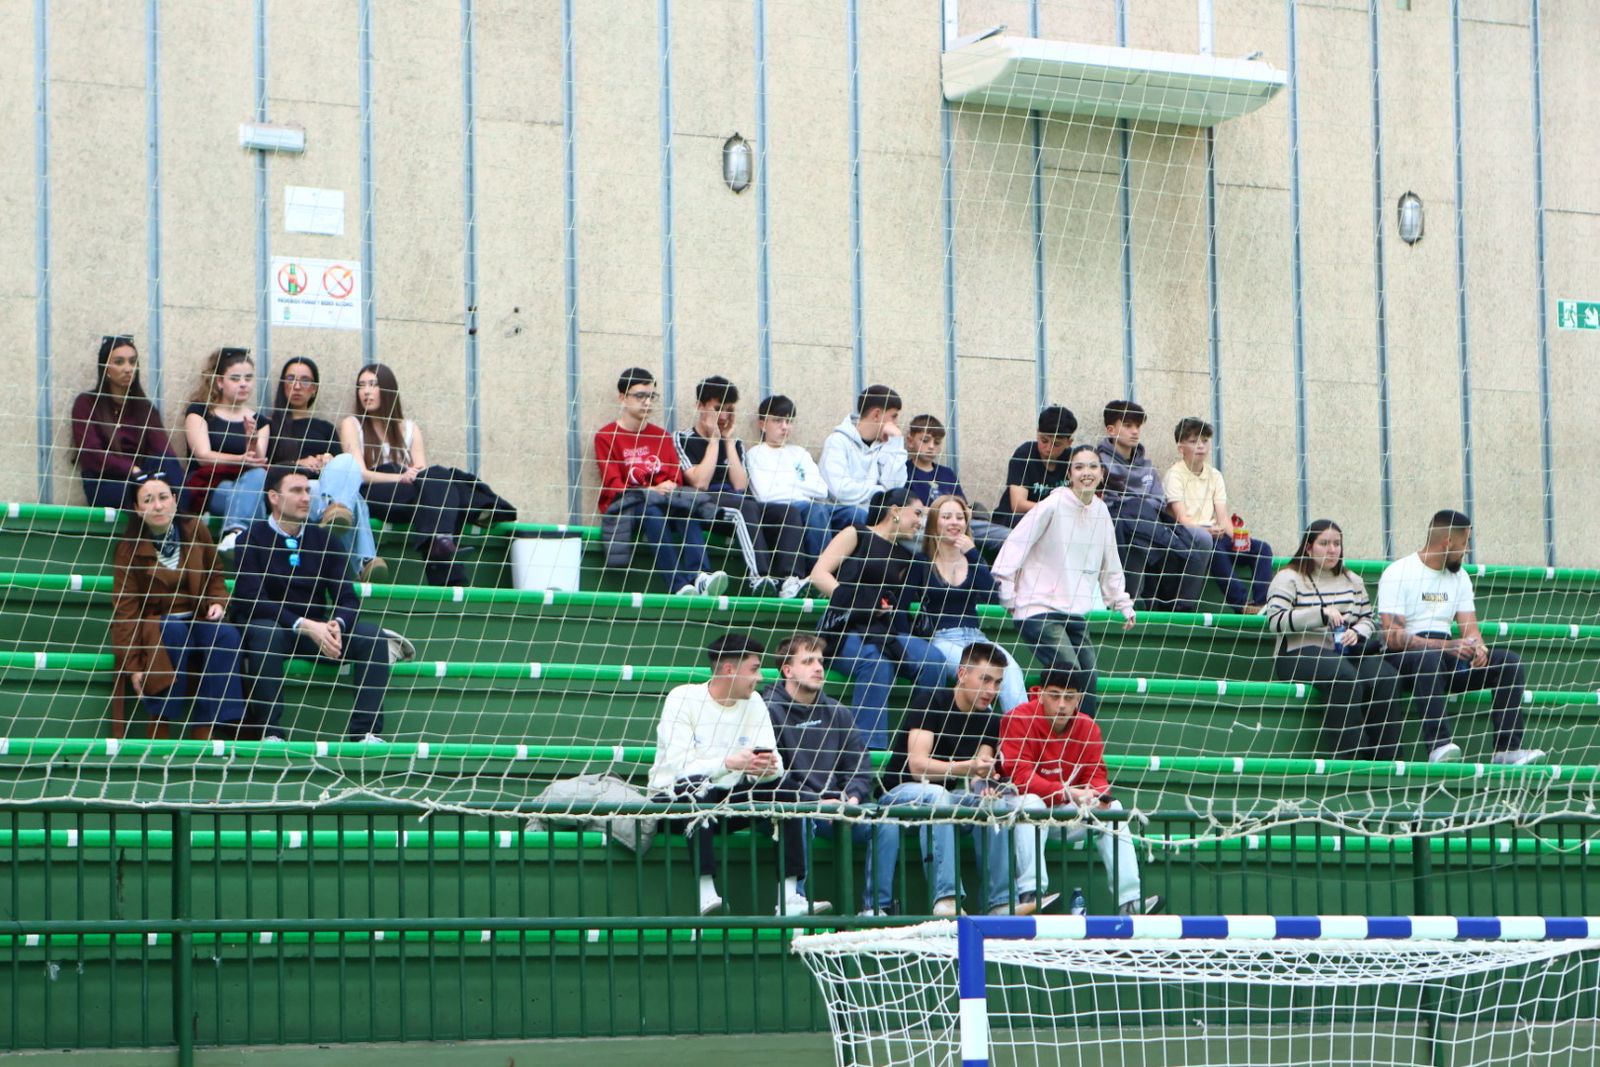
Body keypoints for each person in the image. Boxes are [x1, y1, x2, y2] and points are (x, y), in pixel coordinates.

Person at [647, 634, 821, 916]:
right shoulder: (682, 698)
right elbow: (678, 768)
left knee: (786, 788)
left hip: (727, 802)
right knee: (697, 786)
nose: (760, 677)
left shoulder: (755, 703)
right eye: (754, 669)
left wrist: (765, 770)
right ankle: (707, 896)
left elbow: (774, 763)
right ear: (729, 670)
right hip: (673, 804)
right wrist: (729, 763)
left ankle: (790, 898)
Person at [878, 642, 1050, 916]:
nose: (992, 691)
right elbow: (917, 767)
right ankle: (946, 899)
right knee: (938, 795)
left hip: (943, 800)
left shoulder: (991, 720)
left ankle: (1001, 903)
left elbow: (978, 777)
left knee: (996, 806)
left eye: (997, 683)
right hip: (898, 795)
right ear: (961, 674)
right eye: (985, 680)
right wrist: (967, 767)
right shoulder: (931, 701)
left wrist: (987, 787)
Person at [231, 467, 391, 741]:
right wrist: (304, 625)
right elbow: (251, 598)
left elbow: (347, 597)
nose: (306, 497)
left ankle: (365, 733)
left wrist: (336, 624)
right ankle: (270, 731)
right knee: (264, 631)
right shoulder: (251, 538)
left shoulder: (324, 540)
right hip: (278, 629)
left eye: (308, 491)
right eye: (296, 491)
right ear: (274, 497)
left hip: (318, 633)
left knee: (373, 637)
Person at [1378, 510, 1544, 765]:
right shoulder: (1398, 571)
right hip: (1406, 659)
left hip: (1448, 655)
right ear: (1448, 542)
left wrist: (1478, 648)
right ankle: (1439, 746)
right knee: (1428, 657)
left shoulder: (1460, 577)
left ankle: (1507, 749)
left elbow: (1470, 629)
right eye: (1465, 543)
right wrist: (1447, 646)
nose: (1466, 550)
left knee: (1508, 662)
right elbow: (1393, 637)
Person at [999, 670, 1163, 916]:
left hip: (1064, 812)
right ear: (1041, 694)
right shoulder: (1018, 718)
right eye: (1055, 696)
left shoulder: (1088, 727)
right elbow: (1020, 777)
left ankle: (1130, 902)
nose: (1062, 704)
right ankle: (1032, 894)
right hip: (1019, 810)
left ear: (1078, 699)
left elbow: (1097, 774)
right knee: (1031, 801)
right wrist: (1067, 793)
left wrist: (1097, 794)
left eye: (1069, 697)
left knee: (1113, 809)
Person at [338, 362, 516, 586]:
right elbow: (360, 474)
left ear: (388, 389)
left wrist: (410, 477)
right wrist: (400, 477)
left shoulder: (409, 427)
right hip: (374, 489)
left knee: (439, 478)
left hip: (410, 492)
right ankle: (479, 506)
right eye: (361, 386)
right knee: (450, 485)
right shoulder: (351, 424)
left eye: (373, 385)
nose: (366, 391)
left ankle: (443, 550)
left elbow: (423, 473)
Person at [991, 445, 1136, 720]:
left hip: (1073, 611)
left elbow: (1111, 563)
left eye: (1092, 466)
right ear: (1069, 473)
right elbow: (1016, 543)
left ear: (1102, 474)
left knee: (1088, 676)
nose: (1086, 472)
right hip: (1038, 608)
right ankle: (1057, 744)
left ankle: (1083, 745)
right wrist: (1008, 592)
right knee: (1068, 672)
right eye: (1079, 467)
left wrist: (1122, 603)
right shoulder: (1053, 504)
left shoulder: (1102, 511)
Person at [762, 634, 900, 915]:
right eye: (808, 661)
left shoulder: (837, 712)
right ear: (787, 670)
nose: (818, 668)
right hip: (795, 808)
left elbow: (859, 766)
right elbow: (773, 776)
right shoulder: (768, 711)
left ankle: (876, 908)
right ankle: (796, 900)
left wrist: (851, 797)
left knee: (885, 822)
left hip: (838, 805)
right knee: (797, 817)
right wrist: (814, 802)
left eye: (821, 661)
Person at [809, 487, 950, 748]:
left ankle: (920, 743)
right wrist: (860, 602)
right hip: (843, 625)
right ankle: (867, 750)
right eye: (917, 513)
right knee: (877, 662)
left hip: (881, 630)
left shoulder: (907, 556)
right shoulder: (856, 533)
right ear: (895, 511)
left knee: (935, 661)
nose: (920, 521)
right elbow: (819, 574)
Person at [109, 472, 246, 738]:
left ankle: (208, 725)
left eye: (163, 497)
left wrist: (218, 601)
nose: (158, 506)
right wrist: (134, 666)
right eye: (148, 500)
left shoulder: (196, 530)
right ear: (137, 509)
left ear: (174, 499)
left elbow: (215, 572)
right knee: (173, 630)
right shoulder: (129, 550)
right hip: (159, 625)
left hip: (196, 617)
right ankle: (160, 720)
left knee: (226, 634)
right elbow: (125, 611)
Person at [1261, 520, 1404, 761]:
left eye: (1337, 544)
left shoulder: (1352, 580)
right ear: (1308, 547)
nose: (1332, 549)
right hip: (1298, 653)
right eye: (1324, 543)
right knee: (1344, 676)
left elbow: (1368, 619)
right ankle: (1350, 756)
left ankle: (1387, 758)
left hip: (1345, 652)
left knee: (1387, 677)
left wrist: (1357, 632)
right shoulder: (1287, 578)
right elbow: (1275, 621)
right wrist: (1320, 615)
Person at [592, 367, 728, 597]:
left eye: (651, 396)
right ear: (623, 398)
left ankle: (700, 576)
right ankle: (677, 584)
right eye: (640, 396)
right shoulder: (606, 436)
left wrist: (668, 487)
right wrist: (652, 489)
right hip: (630, 507)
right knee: (651, 509)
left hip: (666, 501)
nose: (647, 402)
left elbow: (675, 477)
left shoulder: (661, 435)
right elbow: (614, 486)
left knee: (686, 509)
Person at [261, 358, 385, 581]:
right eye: (291, 379)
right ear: (282, 384)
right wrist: (298, 465)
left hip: (326, 488)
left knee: (347, 461)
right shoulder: (270, 424)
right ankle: (364, 561)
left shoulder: (325, 428)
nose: (297, 386)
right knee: (355, 500)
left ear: (314, 389)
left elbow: (345, 471)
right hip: (296, 490)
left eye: (305, 381)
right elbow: (263, 468)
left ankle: (334, 509)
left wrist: (328, 460)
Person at [913, 494, 1029, 712]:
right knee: (979, 674)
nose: (954, 522)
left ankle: (1019, 740)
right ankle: (988, 732)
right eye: (946, 516)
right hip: (942, 638)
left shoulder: (972, 559)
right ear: (935, 523)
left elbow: (992, 596)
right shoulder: (921, 562)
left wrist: (973, 553)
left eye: (959, 517)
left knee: (1011, 669)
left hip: (976, 637)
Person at [674, 375, 785, 594]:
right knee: (744, 507)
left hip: (735, 502)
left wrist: (728, 441)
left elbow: (740, 485)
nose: (724, 416)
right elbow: (700, 482)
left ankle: (791, 580)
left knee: (786, 512)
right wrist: (714, 440)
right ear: (700, 406)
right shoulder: (682, 438)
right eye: (718, 409)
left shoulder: (736, 443)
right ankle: (759, 578)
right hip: (703, 505)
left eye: (730, 410)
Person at [1095, 400, 1208, 612]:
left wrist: (1138, 503)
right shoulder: (1097, 462)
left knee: (1202, 538)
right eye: (1128, 426)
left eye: (1138, 426)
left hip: (1153, 523)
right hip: (1120, 528)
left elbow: (1158, 500)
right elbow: (1105, 501)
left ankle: (1183, 608)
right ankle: (1129, 604)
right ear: (1111, 430)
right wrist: (1135, 503)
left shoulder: (1147, 467)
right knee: (1138, 536)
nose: (1135, 431)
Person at [745, 394, 852, 596]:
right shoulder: (756, 454)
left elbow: (821, 489)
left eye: (789, 421)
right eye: (778, 420)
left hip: (812, 505)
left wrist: (786, 482)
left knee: (856, 514)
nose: (785, 427)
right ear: (762, 424)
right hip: (788, 510)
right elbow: (766, 494)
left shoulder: (799, 453)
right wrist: (800, 484)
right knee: (816, 510)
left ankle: (860, 579)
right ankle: (823, 576)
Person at [1164, 416, 1273, 613]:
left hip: (1216, 534)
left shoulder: (1214, 475)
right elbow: (1182, 519)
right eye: (1193, 441)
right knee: (1213, 547)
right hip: (1191, 537)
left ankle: (1261, 604)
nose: (1201, 446)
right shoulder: (1174, 475)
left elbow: (1223, 517)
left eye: (1205, 440)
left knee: (1262, 548)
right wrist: (1206, 529)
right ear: (1181, 448)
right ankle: (1241, 605)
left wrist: (1240, 539)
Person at [70, 334, 184, 509]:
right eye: (119, 362)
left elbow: (164, 452)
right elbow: (91, 454)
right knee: (151, 497)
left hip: (144, 481)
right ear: (105, 367)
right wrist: (132, 470)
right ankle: (181, 527)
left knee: (167, 465)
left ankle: (179, 524)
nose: (128, 368)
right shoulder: (87, 403)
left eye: (132, 362)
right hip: (106, 483)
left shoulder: (144, 408)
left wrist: (152, 480)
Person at [182, 347, 269, 554]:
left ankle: (235, 533)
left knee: (257, 476)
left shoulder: (260, 421)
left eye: (248, 378)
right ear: (220, 382)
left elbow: (257, 462)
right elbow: (203, 456)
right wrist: (240, 458)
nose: (243, 383)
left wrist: (252, 441)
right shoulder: (199, 411)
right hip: (210, 485)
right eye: (236, 378)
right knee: (247, 498)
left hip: (247, 485)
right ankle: (252, 547)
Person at [903, 414, 1007, 552]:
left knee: (1008, 537)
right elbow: (911, 511)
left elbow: (963, 507)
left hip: (961, 524)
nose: (931, 446)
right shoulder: (904, 472)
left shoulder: (947, 473)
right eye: (925, 440)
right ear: (910, 441)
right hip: (928, 526)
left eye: (937, 442)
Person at [820, 384, 908, 527]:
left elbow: (894, 488)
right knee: (860, 515)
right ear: (876, 415)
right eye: (894, 416)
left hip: (876, 515)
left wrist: (896, 443)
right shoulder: (837, 441)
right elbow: (840, 491)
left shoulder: (887, 445)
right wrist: (880, 491)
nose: (896, 424)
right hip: (842, 515)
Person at [989, 405, 1078, 529]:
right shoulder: (1025, 453)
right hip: (1014, 521)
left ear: (1069, 443)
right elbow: (1018, 505)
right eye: (1044, 440)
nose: (1048, 449)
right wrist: (1057, 511)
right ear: (1037, 433)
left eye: (1056, 444)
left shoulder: (1073, 460)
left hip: (1054, 523)